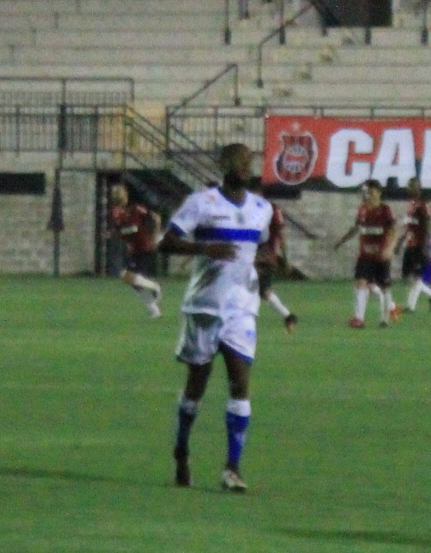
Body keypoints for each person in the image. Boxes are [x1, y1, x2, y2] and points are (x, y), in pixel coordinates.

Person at [158, 143, 293, 492]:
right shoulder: (202, 203)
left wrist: (270, 262)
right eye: (239, 159)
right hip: (203, 307)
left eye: (250, 160)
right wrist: (205, 248)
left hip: (241, 308)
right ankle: (181, 450)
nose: (246, 165)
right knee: (196, 388)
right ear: (222, 164)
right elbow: (166, 242)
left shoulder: (261, 209)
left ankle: (232, 467)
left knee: (240, 383)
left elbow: (263, 250)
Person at [108, 183, 164, 318]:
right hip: (135, 248)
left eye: (118, 193)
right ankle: (154, 310)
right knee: (134, 283)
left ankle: (155, 287)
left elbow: (135, 228)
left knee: (126, 277)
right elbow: (126, 231)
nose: (117, 196)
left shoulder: (134, 209)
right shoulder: (119, 211)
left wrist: (154, 238)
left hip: (142, 247)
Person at [349, 182, 398, 328]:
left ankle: (386, 315)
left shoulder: (385, 210)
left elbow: (393, 230)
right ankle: (359, 318)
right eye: (367, 192)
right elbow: (356, 227)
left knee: (384, 286)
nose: (368, 195)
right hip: (365, 255)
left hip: (381, 255)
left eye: (371, 192)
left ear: (379, 193)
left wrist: (390, 249)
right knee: (361, 283)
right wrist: (342, 240)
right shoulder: (362, 210)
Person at [393, 184, 431, 314]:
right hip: (410, 244)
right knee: (408, 277)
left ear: (419, 189)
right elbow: (409, 227)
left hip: (420, 245)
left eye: (413, 187)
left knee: (416, 276)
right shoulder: (410, 205)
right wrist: (399, 242)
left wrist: (425, 243)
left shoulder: (423, 206)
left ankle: (411, 306)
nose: (411, 189)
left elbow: (428, 224)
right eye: (410, 187)